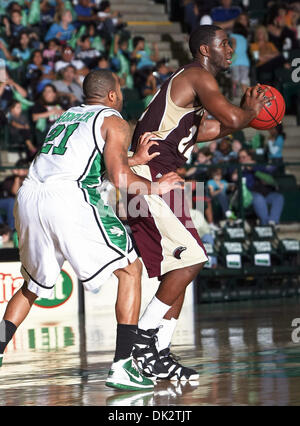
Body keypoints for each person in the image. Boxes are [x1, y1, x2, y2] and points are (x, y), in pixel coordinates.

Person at [0, 69, 183, 392]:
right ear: (111, 95)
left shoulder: (67, 116)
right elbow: (119, 179)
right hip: (68, 198)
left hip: (29, 196)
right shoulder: (115, 120)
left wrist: (132, 157)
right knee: (130, 269)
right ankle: (124, 366)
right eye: (121, 90)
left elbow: (80, 158)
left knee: (32, 286)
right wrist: (157, 186)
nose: (122, 95)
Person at [126, 25, 270, 381]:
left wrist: (244, 118)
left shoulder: (191, 92)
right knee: (194, 260)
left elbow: (210, 130)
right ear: (205, 50)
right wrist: (248, 114)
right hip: (150, 178)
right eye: (224, 44)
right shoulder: (196, 75)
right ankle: (140, 345)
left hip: (164, 179)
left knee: (184, 268)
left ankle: (158, 354)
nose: (230, 50)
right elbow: (235, 119)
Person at [237, 148, 284, 226]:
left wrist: (253, 167)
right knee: (259, 198)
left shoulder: (257, 165)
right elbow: (245, 183)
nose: (241, 159)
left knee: (278, 197)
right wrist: (244, 169)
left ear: (249, 157)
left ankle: (272, 222)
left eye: (243, 157)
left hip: (264, 192)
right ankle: (265, 224)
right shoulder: (239, 168)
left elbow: (270, 169)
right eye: (239, 157)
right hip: (249, 194)